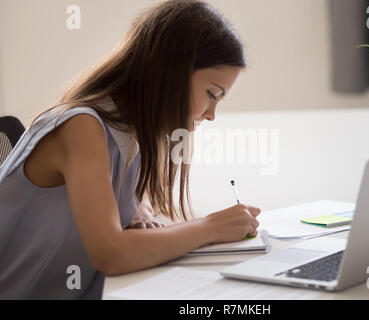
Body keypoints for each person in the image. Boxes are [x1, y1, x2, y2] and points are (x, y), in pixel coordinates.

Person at [0, 0, 260, 300]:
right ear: (170, 72)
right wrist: (212, 227)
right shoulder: (83, 128)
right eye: (211, 93)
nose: (211, 114)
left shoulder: (134, 131)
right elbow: (110, 253)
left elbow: (124, 194)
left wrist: (140, 209)